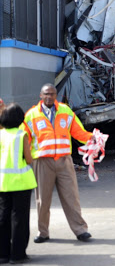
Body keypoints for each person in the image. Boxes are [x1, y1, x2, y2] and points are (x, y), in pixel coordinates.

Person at [23, 84, 93, 243]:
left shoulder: (66, 111)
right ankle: (43, 232)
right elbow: (25, 138)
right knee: (42, 199)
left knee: (71, 196)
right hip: (42, 161)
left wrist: (91, 138)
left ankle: (80, 230)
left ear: (56, 95)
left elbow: (78, 132)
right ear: (40, 95)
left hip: (64, 161)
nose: (49, 97)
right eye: (46, 94)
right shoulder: (31, 115)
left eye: (52, 94)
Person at [0, 103, 37, 264]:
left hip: (3, 182)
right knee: (19, 219)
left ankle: (3, 254)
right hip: (21, 182)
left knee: (3, 218)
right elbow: (28, 159)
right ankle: (17, 255)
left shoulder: (0, 135)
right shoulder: (22, 135)